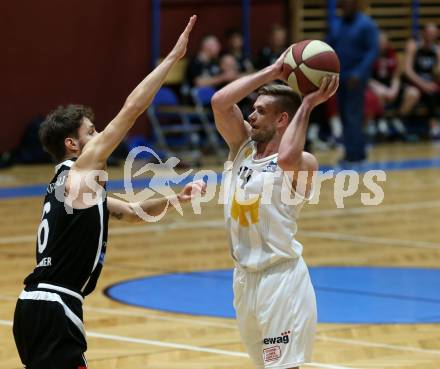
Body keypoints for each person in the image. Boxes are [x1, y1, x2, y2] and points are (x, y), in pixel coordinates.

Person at [12, 16, 205, 369]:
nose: (100, 135)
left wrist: (178, 198)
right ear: (72, 145)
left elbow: (131, 212)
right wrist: (171, 59)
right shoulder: (79, 176)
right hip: (54, 308)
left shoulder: (75, 188)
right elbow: (132, 110)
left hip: (38, 307)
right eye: (92, 132)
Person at [211, 52, 338, 368]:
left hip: (280, 279)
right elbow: (219, 102)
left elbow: (286, 158)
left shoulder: (303, 162)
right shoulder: (242, 146)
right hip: (243, 279)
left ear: (283, 119)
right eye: (252, 109)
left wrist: (307, 104)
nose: (250, 116)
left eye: (261, 111)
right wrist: (271, 72)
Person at [327, 0, 378, 164]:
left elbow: (372, 51)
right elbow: (327, 47)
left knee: (353, 115)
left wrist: (359, 73)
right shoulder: (336, 24)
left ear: (356, 5)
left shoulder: (367, 25)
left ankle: (355, 154)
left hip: (355, 79)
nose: (346, 5)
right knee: (343, 115)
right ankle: (354, 151)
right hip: (339, 77)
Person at [403, 23, 440, 138]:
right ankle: (401, 124)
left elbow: (437, 73)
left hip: (430, 86)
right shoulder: (414, 46)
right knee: (413, 94)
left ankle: (433, 127)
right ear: (423, 33)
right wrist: (423, 84)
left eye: (434, 34)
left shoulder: (437, 50)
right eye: (429, 33)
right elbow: (407, 71)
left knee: (433, 91)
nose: (431, 36)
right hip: (413, 83)